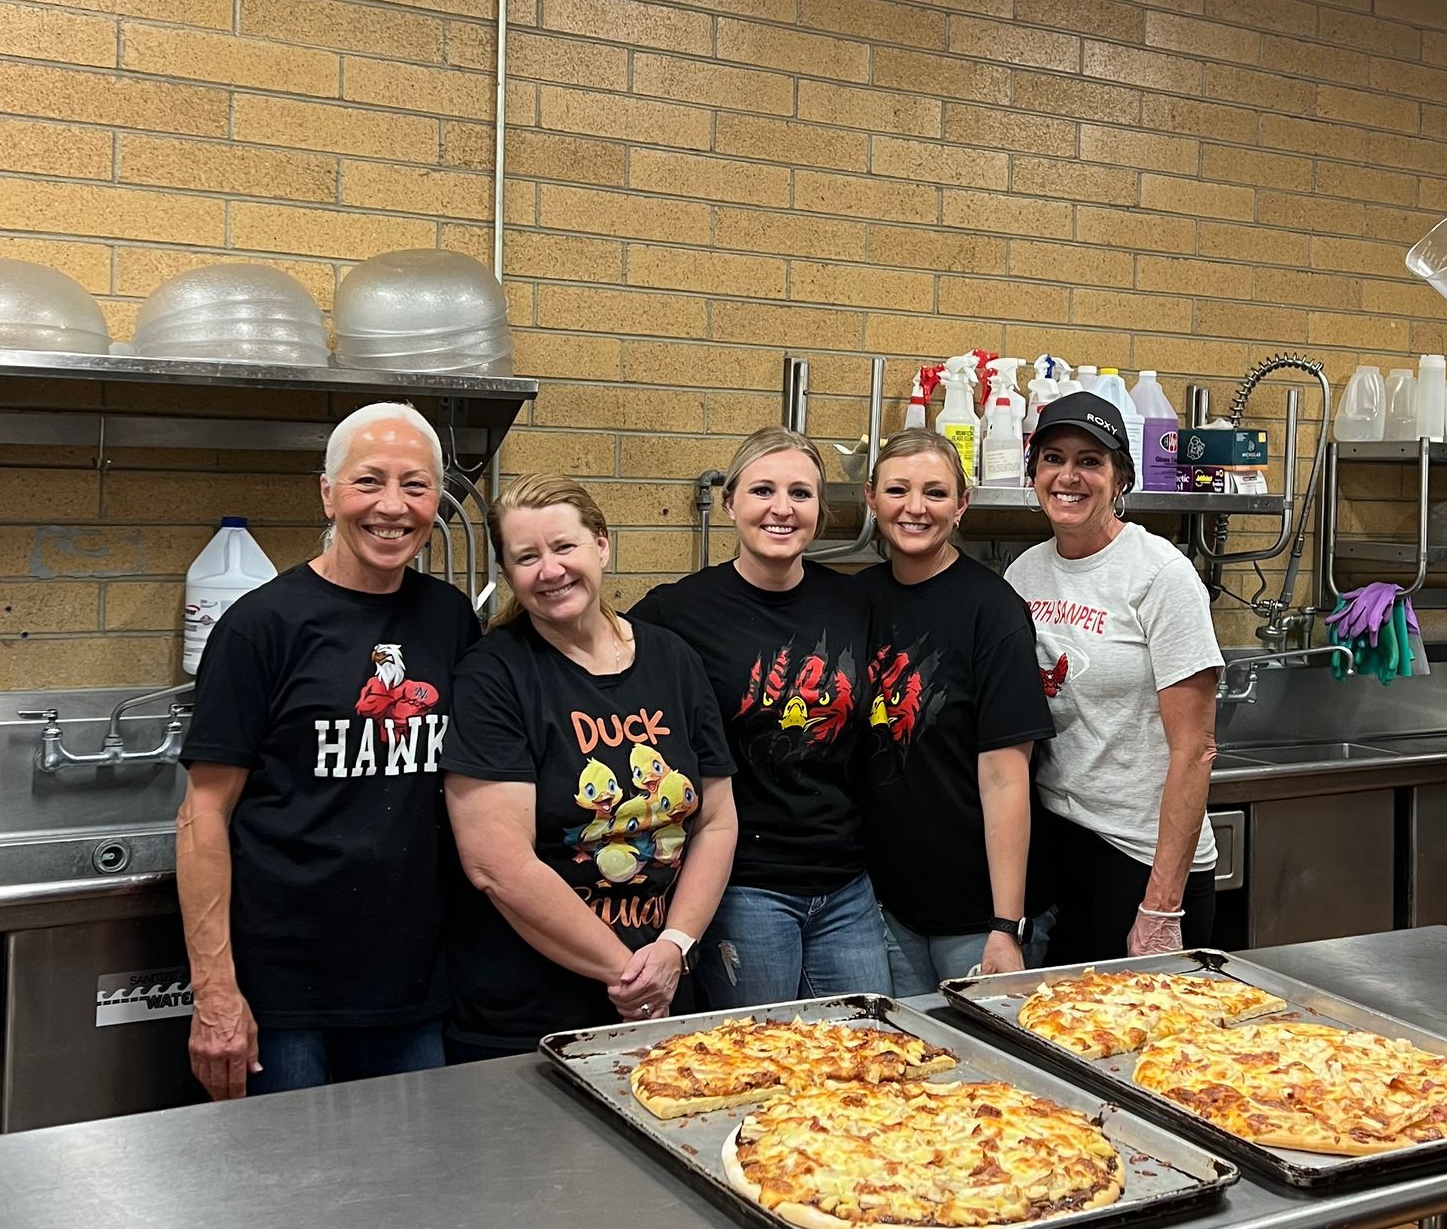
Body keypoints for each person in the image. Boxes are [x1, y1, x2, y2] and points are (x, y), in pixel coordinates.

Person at [1004, 390, 1223, 1229]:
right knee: (1061, 1077)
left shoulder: (1160, 575)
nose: (1069, 475)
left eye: (1088, 460)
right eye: (1053, 457)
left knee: (1141, 1092)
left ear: (1120, 477)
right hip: (1063, 842)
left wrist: (1162, 908)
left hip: (1143, 860)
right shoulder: (1020, 570)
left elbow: (1197, 750)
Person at [175, 401, 478, 1099]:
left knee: (409, 1189)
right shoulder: (261, 626)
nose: (393, 507)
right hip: (282, 994)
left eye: (416, 485)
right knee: (291, 1196)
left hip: (411, 987)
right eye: (369, 481)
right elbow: (202, 816)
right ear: (328, 491)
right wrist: (216, 994)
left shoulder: (450, 619)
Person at [442, 479, 736, 1056]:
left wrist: (674, 947)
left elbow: (718, 820)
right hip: (529, 1009)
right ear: (508, 573)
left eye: (564, 547)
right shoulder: (493, 676)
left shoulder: (671, 659)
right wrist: (630, 975)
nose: (550, 570)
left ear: (601, 545)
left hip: (669, 979)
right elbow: (496, 865)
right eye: (527, 558)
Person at [633, 427, 886, 1008]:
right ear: (730, 504)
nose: (782, 508)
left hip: (846, 883)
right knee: (756, 1061)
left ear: (820, 511)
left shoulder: (853, 603)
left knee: (871, 1053)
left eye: (801, 493)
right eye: (762, 490)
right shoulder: (677, 610)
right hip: (745, 885)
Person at [859, 428, 1051, 995]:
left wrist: (1004, 925)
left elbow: (1005, 777)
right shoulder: (856, 599)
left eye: (935, 493)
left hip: (976, 914)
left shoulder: (992, 611)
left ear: (961, 506)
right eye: (897, 490)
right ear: (871, 500)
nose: (915, 508)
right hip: (886, 906)